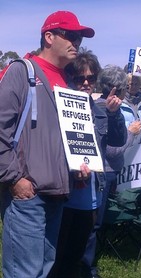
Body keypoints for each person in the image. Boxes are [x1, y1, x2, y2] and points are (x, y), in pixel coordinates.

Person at [0, 11, 95, 277]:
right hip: (27, 194)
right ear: (49, 37)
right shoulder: (22, 71)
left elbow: (63, 138)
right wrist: (14, 179)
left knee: (43, 270)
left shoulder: (68, 82)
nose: (76, 41)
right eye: (70, 35)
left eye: (79, 37)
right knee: (24, 273)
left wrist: (78, 166)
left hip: (58, 194)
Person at [48, 53, 127, 277]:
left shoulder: (102, 111)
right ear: (70, 78)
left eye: (91, 79)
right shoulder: (58, 107)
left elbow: (118, 141)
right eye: (79, 78)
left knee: (81, 253)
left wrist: (115, 114)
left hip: (91, 194)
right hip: (64, 192)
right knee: (57, 254)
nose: (85, 83)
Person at [80, 65, 141, 278]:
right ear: (117, 88)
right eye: (125, 86)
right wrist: (131, 133)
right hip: (103, 173)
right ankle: (87, 267)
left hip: (103, 173)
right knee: (93, 224)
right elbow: (114, 151)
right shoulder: (105, 110)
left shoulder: (101, 106)